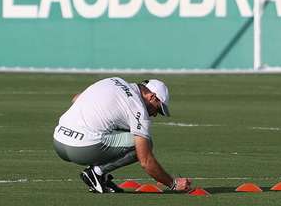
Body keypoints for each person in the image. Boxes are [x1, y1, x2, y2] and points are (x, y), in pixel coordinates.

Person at [53, 77, 193, 194]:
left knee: (114, 128)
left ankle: (100, 176)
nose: (155, 114)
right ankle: (96, 173)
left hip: (58, 140)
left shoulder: (114, 80)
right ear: (152, 97)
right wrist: (173, 183)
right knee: (144, 144)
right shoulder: (139, 109)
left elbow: (76, 98)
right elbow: (145, 160)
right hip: (81, 149)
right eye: (158, 109)